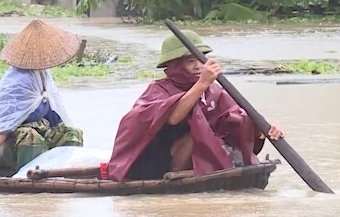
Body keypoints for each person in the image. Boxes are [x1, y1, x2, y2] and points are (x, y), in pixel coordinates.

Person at [107, 30, 284, 182]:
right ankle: (180, 175)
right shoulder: (159, 90)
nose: (198, 66)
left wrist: (261, 129)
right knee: (193, 137)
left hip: (202, 160)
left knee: (234, 128)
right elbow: (174, 116)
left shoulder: (212, 89)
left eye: (200, 60)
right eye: (190, 61)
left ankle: (214, 168)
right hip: (156, 165)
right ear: (176, 65)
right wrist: (202, 83)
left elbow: (236, 117)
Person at [0, 20, 85, 179]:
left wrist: (63, 134)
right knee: (31, 137)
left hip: (41, 131)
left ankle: (67, 174)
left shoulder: (43, 75)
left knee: (72, 133)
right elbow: (2, 126)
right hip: (11, 144)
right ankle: (27, 177)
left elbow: (54, 114)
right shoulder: (18, 81)